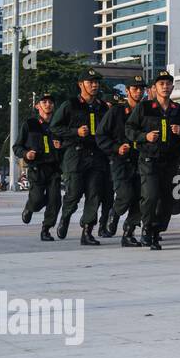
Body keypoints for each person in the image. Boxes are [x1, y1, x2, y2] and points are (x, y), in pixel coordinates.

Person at [126, 70, 180, 249]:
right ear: (154, 88)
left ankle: (157, 229)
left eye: (168, 84)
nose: (165, 87)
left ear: (172, 87)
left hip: (170, 161)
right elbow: (129, 129)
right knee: (150, 195)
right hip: (149, 159)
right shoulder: (145, 108)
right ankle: (147, 228)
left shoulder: (178, 110)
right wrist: (144, 136)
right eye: (161, 84)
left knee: (167, 200)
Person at [52, 68, 112, 245]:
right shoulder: (70, 104)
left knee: (94, 194)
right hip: (75, 154)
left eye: (96, 82)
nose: (94, 85)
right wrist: (75, 132)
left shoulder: (102, 107)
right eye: (90, 82)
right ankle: (65, 216)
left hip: (97, 156)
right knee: (74, 193)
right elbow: (55, 127)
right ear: (81, 84)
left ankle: (87, 231)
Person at [98, 75, 145, 244]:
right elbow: (101, 135)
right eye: (135, 89)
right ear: (128, 91)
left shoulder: (147, 111)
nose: (138, 92)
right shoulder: (116, 111)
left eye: (141, 89)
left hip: (141, 160)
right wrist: (116, 148)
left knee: (141, 197)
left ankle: (129, 232)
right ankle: (114, 213)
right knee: (125, 195)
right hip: (120, 160)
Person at [15, 92, 62, 240]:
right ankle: (30, 207)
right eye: (44, 102)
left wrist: (61, 146)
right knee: (37, 200)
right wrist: (26, 154)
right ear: (38, 105)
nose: (48, 104)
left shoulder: (58, 125)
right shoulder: (29, 124)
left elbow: (67, 144)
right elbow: (17, 147)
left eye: (50, 102)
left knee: (55, 200)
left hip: (54, 169)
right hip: (37, 169)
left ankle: (46, 229)